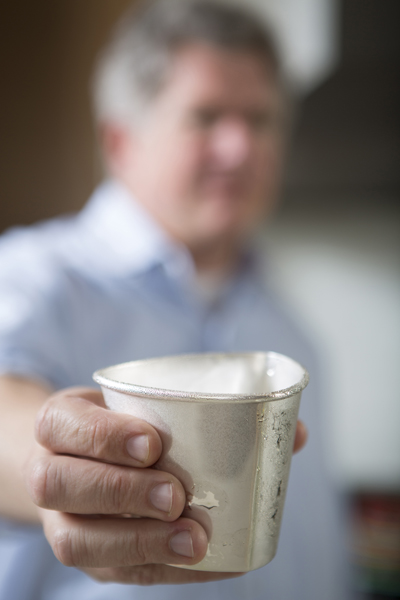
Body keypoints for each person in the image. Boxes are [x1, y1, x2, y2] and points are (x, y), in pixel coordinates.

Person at [0, 1, 349, 598]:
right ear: (119, 140)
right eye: (206, 116)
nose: (239, 148)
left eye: (260, 120)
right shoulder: (35, 274)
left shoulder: (291, 327)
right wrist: (57, 472)